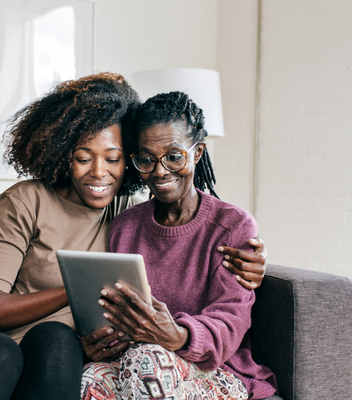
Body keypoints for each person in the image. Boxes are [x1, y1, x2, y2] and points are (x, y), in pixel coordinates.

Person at [0, 74, 268, 400]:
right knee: (0, 352)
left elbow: (193, 235)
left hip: (41, 355)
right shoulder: (27, 201)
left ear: (126, 162)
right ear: (64, 155)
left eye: (112, 159)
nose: (99, 172)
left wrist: (253, 263)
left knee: (58, 340)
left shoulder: (126, 212)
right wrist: (75, 286)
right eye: (83, 157)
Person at [80, 92, 278, 400]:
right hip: (140, 363)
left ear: (197, 152)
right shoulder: (125, 226)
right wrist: (100, 340)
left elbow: (231, 322)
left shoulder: (233, 226)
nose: (159, 171)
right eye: (146, 159)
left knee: (146, 359)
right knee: (89, 377)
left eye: (174, 156)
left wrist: (177, 335)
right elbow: (116, 310)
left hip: (218, 371)